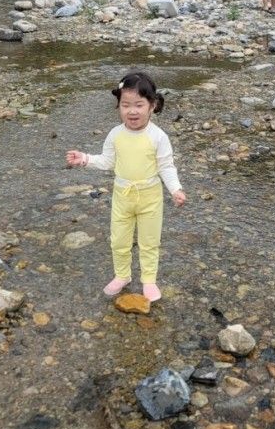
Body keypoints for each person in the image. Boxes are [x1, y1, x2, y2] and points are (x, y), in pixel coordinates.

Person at [66, 71, 186, 302]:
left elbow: (166, 167)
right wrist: (85, 159)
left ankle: (149, 280)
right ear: (119, 106)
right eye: (125, 105)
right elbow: (107, 161)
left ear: (152, 105)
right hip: (122, 195)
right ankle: (122, 275)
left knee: (149, 241)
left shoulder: (158, 136)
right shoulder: (115, 135)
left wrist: (175, 189)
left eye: (139, 105)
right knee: (118, 239)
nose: (132, 111)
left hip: (150, 196)